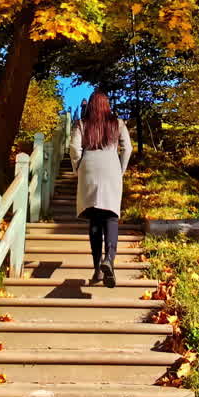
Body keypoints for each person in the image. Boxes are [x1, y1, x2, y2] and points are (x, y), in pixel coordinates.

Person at [69, 91, 131, 288]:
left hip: (89, 167)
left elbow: (74, 148)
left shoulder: (81, 124)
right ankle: (109, 259)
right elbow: (127, 148)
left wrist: (78, 167)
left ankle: (97, 268)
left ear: (91, 105)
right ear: (107, 105)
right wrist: (120, 168)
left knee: (94, 217)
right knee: (111, 216)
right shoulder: (118, 123)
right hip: (111, 166)